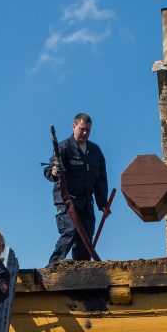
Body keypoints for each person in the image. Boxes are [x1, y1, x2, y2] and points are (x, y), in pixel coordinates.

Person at [45, 113, 109, 264]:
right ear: (74, 126)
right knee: (71, 231)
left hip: (86, 203)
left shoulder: (95, 151)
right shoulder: (63, 147)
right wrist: (54, 172)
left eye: (88, 130)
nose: (85, 133)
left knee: (85, 239)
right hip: (67, 201)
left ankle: (82, 276)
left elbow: (101, 180)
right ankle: (52, 267)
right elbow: (49, 170)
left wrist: (103, 203)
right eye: (82, 129)